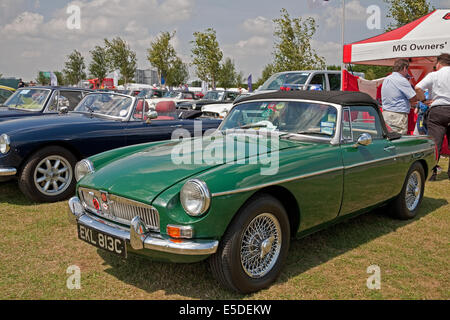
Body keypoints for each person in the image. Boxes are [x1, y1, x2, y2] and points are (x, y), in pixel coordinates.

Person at [415, 53, 450, 181]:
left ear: (439, 64)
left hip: (438, 110)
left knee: (436, 143)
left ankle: (432, 174)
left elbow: (417, 87)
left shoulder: (434, 75)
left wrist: (424, 100)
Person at [381, 59, 419, 134]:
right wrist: (422, 97)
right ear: (404, 68)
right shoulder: (402, 80)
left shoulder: (387, 79)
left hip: (386, 113)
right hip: (398, 115)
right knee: (399, 139)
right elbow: (413, 98)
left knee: (388, 137)